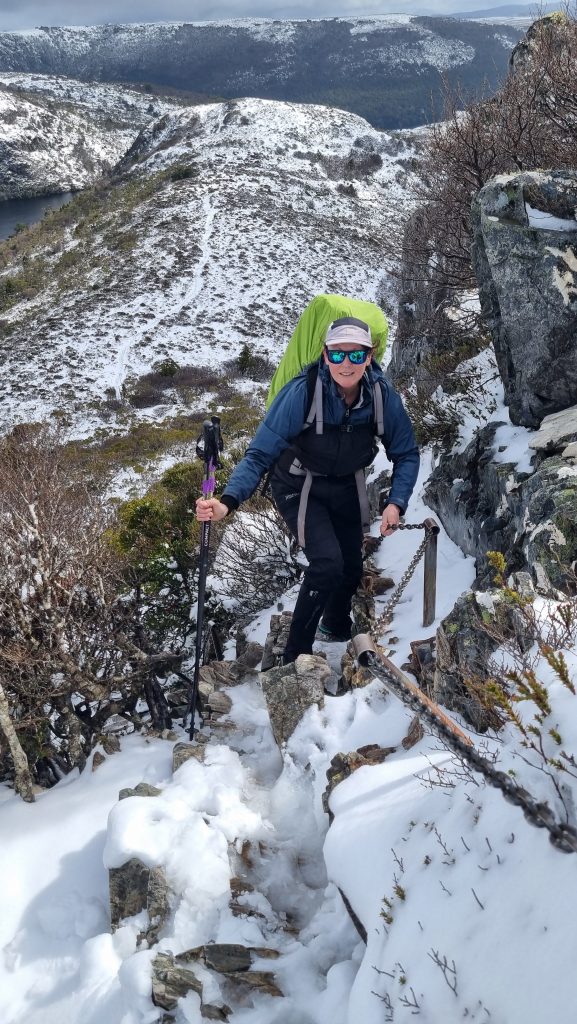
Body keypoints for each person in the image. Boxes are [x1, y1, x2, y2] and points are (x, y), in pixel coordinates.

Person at [196, 316, 419, 664]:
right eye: (338, 354)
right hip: (298, 484)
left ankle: (334, 626)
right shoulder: (302, 392)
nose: (347, 364)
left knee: (349, 566)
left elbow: (405, 452)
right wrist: (227, 502)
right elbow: (259, 454)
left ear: (370, 356)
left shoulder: (380, 396)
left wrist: (396, 504)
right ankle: (295, 656)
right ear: (325, 355)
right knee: (327, 564)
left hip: (345, 483)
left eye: (356, 355)